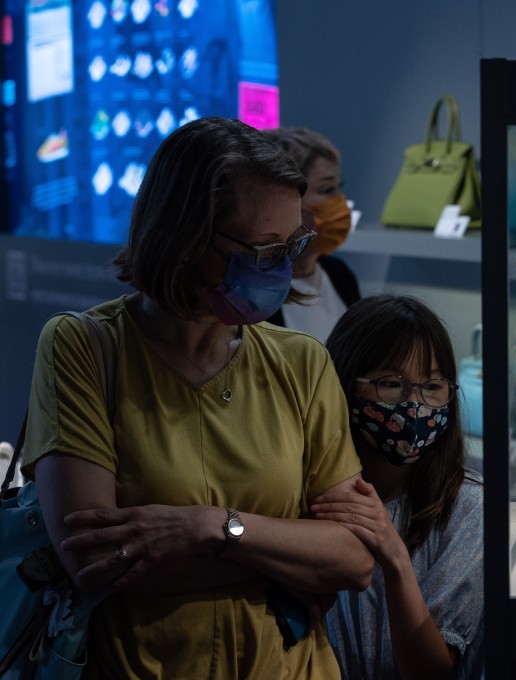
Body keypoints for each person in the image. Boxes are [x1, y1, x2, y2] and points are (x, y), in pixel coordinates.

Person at [21, 116, 375, 679]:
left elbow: (354, 559)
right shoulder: (84, 348)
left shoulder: (302, 362)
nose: (281, 269)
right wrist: (286, 559)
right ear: (184, 236)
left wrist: (212, 527)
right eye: (262, 250)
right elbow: (95, 562)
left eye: (292, 246)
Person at [313, 294, 484, 680]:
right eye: (391, 384)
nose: (414, 405)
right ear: (343, 382)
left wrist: (394, 556)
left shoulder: (467, 505)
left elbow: (432, 672)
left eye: (432, 387)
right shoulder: (306, 494)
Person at [262, 126, 361, 342]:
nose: (340, 201)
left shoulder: (340, 274)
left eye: (338, 187)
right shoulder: (254, 289)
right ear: (287, 199)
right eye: (327, 190)